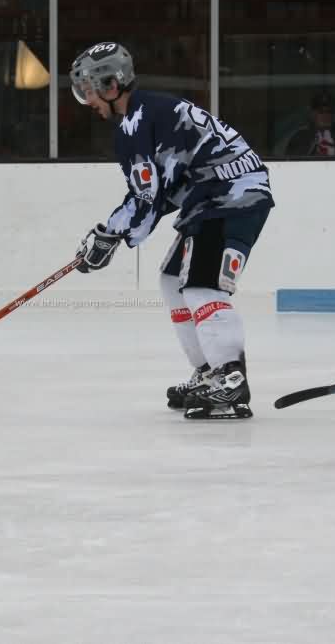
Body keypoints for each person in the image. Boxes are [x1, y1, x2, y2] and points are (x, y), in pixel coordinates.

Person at [69, 42, 274, 419]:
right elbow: (162, 193)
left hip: (231, 197)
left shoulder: (136, 125)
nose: (88, 100)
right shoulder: (150, 111)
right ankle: (209, 371)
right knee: (171, 280)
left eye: (89, 90)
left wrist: (109, 234)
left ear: (111, 86)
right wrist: (113, 235)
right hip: (215, 197)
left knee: (202, 286)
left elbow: (146, 198)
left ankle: (229, 380)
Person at [284, 92, 335, 156]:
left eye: (329, 112)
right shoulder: (300, 138)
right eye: (321, 112)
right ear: (312, 114)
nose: (326, 115)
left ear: (334, 114)